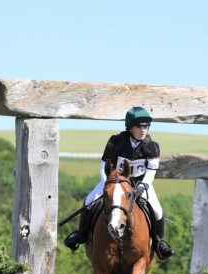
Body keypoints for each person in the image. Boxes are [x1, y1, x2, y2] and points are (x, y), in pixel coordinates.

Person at [64, 106, 175, 260]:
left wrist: (143, 187)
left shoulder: (152, 146)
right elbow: (104, 166)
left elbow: (151, 170)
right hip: (114, 182)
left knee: (157, 210)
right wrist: (108, 183)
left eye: (146, 126)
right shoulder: (116, 142)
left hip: (140, 185)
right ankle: (81, 235)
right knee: (89, 201)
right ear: (130, 128)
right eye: (139, 126)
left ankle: (158, 243)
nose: (143, 130)